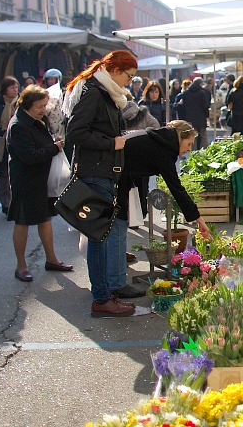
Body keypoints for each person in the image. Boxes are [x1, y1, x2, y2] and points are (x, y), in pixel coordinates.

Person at [63, 49, 138, 317]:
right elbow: (76, 133)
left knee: (100, 236)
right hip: (95, 173)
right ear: (115, 70)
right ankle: (102, 297)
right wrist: (111, 143)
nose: (129, 82)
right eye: (128, 76)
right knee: (99, 237)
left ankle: (105, 293)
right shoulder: (94, 92)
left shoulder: (103, 91)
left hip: (102, 172)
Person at [107, 120, 211, 298]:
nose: (189, 149)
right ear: (181, 137)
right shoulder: (165, 150)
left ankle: (114, 281)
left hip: (117, 176)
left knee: (117, 226)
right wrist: (199, 220)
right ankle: (116, 285)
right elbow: (176, 188)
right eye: (189, 144)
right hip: (112, 177)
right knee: (117, 226)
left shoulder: (160, 140)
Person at [6, 85, 72, 282]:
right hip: (26, 180)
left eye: (44, 105)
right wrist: (54, 148)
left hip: (41, 178)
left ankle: (52, 259)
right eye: (39, 106)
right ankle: (21, 266)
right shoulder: (18, 125)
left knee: (45, 219)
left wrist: (54, 143)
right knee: (23, 221)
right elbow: (30, 156)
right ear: (26, 105)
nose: (43, 110)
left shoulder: (37, 120)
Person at [0, 76, 20, 215]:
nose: (15, 90)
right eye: (12, 87)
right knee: (4, 174)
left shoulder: (20, 103)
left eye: (16, 87)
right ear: (4, 89)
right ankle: (6, 203)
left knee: (17, 173)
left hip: (17, 142)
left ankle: (17, 201)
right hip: (2, 143)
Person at [179, 77, 211, 149]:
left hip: (190, 118)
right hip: (201, 118)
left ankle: (193, 152)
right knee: (203, 136)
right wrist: (207, 115)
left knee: (193, 136)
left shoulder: (186, 93)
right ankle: (206, 151)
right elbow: (205, 106)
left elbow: (183, 106)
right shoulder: (202, 93)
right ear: (200, 84)